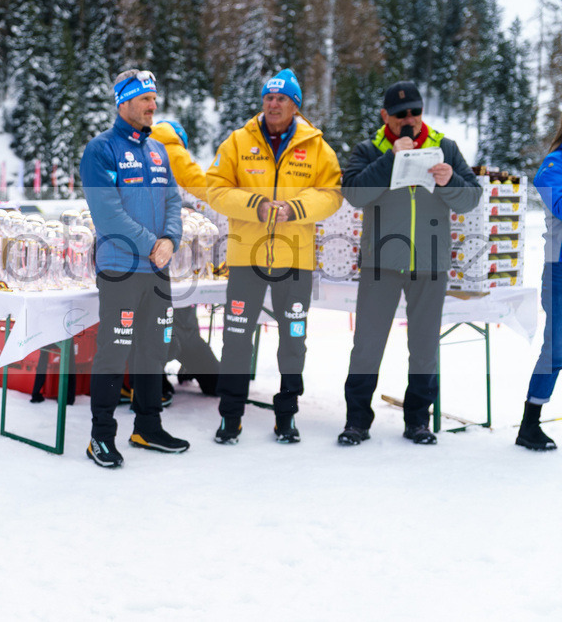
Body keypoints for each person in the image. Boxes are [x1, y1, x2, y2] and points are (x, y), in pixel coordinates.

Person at [339, 81, 481, 446]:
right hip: (381, 262)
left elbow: (471, 199)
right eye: (400, 114)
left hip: (430, 263)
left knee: (423, 346)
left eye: (415, 112)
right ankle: (357, 421)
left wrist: (450, 181)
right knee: (367, 345)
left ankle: (418, 421)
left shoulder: (445, 147)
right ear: (385, 115)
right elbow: (353, 193)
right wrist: (390, 160)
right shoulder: (370, 150)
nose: (409, 119)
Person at [205, 69, 342, 444]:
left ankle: (287, 415)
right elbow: (214, 188)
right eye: (268, 97)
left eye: (281, 98)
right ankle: (230, 416)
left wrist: (294, 209)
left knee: (294, 338)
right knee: (236, 337)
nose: (273, 104)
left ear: (295, 105)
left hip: (295, 259)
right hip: (246, 257)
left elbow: (332, 193)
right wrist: (256, 205)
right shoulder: (238, 142)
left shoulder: (317, 147)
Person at [79, 69, 187, 468]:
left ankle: (148, 426)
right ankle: (101, 436)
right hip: (121, 267)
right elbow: (107, 214)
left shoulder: (158, 150)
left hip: (158, 269)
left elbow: (173, 201)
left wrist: (171, 240)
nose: (152, 105)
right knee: (115, 351)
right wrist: (151, 245)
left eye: (154, 98)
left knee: (153, 350)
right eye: (144, 98)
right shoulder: (101, 150)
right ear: (123, 102)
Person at [149, 119, 221, 395]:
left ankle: (156, 382)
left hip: (146, 253)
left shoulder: (142, 150)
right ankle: (213, 379)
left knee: (153, 322)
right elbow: (202, 191)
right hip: (177, 258)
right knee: (183, 323)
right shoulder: (176, 153)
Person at [517, 117, 562, 451]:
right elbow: (558, 203)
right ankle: (529, 425)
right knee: (557, 349)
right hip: (560, 268)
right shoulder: (553, 164)